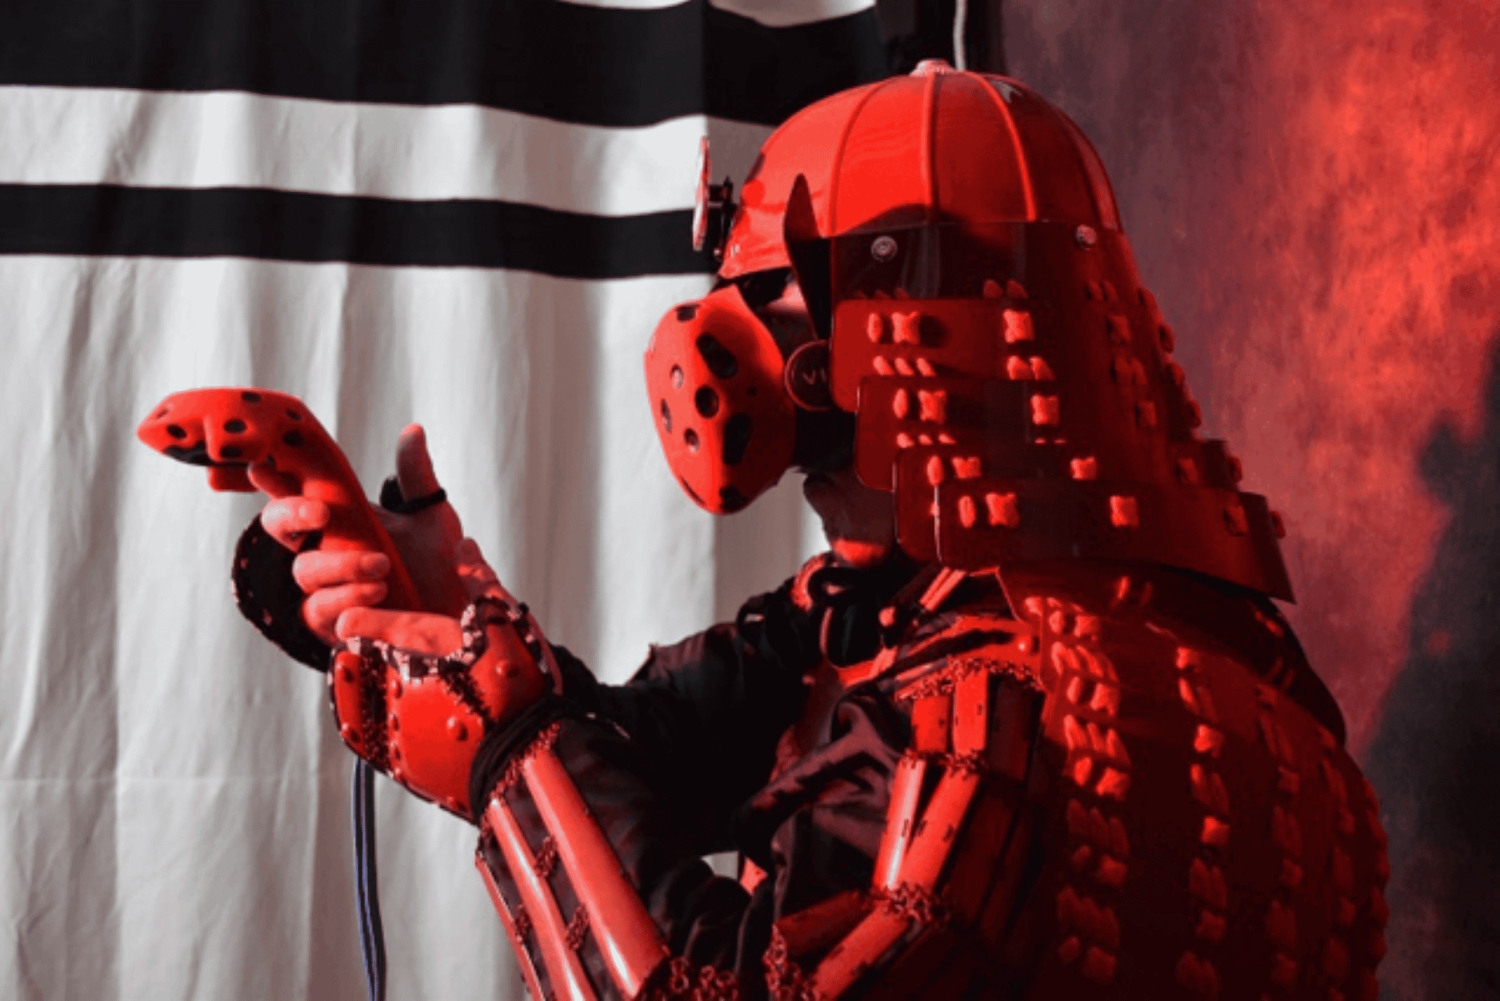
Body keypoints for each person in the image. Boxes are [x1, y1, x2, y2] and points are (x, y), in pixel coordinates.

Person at [235, 63, 1390, 999]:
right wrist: (453, 622)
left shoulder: (992, 705)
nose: (725, 350)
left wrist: (508, 746)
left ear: (913, 326)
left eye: (771, 296)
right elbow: (638, 755)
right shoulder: (1210, 654)